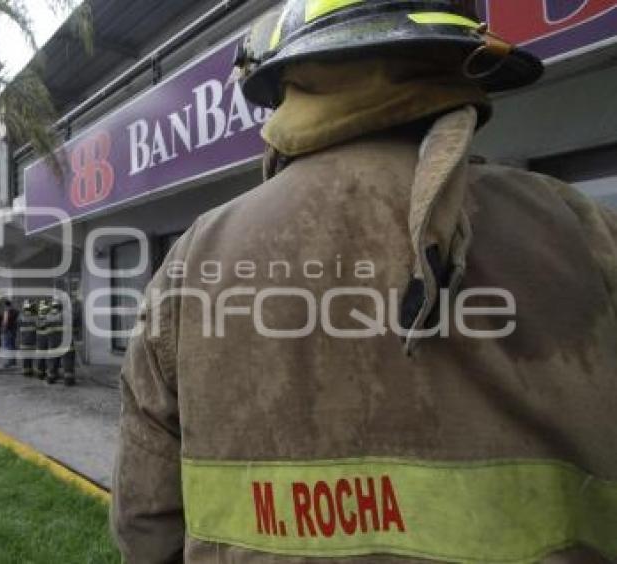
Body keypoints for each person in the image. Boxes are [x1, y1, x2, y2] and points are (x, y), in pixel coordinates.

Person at [111, 2, 617, 562]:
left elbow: (145, 524)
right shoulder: (584, 230)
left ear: (288, 87)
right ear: (455, 64)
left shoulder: (195, 258)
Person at [42, 299, 76, 386]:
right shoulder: (66, 315)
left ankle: (51, 378)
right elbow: (74, 323)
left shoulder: (48, 316)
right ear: (60, 307)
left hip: (53, 342)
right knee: (67, 360)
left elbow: (43, 327)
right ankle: (68, 380)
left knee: (52, 361)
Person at [18, 300, 38, 377]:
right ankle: (33, 371)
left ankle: (26, 372)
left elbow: (18, 325)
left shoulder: (21, 316)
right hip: (33, 341)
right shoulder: (35, 316)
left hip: (24, 342)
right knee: (33, 357)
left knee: (26, 359)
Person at [1, 300, 19, 368]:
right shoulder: (16, 312)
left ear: (6, 305)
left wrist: (3, 330)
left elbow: (5, 323)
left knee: (8, 347)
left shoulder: (7, 312)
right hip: (13, 331)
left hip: (8, 331)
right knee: (12, 346)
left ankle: (9, 362)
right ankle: (13, 361)